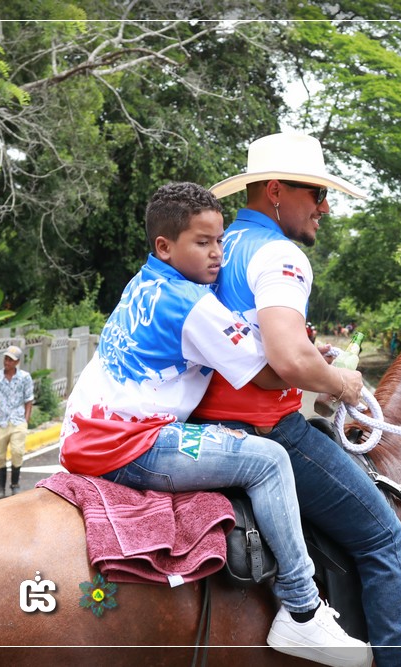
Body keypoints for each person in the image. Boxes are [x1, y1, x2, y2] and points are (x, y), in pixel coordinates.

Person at [59, 182, 369, 667]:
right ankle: (303, 610)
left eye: (220, 240)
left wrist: (309, 353)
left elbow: (247, 345)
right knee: (269, 461)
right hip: (131, 444)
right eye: (202, 242)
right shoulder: (192, 304)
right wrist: (333, 377)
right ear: (165, 246)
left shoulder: (145, 282)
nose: (217, 254)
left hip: (85, 434)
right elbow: (273, 371)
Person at [191, 131, 401, 667]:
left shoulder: (216, 248)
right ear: (274, 190)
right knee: (384, 537)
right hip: (264, 429)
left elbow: (248, 339)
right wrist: (342, 382)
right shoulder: (281, 254)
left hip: (200, 426)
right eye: (316, 193)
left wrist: (309, 354)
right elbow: (289, 360)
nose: (325, 207)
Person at [0, 345, 33, 498]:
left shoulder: (24, 377)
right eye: (6, 359)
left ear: (17, 362)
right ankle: (0, 487)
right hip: (0, 421)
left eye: (10, 360)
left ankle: (15, 484)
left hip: (18, 420)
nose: (7, 362)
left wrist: (26, 420)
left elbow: (28, 399)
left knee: (17, 451)